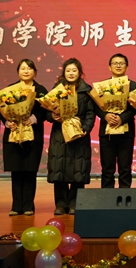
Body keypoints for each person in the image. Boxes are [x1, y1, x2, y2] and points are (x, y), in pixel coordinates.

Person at [46, 58, 95, 215]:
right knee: (59, 168)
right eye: (68, 71)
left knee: (78, 170)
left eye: (74, 70)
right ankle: (61, 204)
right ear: (64, 73)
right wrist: (52, 116)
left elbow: (90, 113)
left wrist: (86, 128)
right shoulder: (57, 89)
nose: (71, 73)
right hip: (60, 134)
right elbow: (46, 110)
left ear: (80, 73)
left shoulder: (86, 91)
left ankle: (75, 203)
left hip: (79, 134)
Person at [2, 59, 48, 216]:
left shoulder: (41, 90)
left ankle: (28, 205)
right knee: (16, 170)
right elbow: (1, 109)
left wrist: (35, 118)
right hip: (14, 133)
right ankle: (16, 206)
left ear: (35, 72)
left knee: (30, 170)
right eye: (23, 68)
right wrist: (7, 122)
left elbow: (46, 110)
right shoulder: (10, 90)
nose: (26, 71)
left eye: (29, 68)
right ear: (18, 72)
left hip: (33, 135)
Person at [94, 53, 136, 189]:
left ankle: (125, 197)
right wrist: (105, 116)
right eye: (115, 63)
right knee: (107, 169)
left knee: (125, 168)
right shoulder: (102, 86)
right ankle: (107, 198)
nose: (118, 66)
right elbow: (95, 106)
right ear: (109, 67)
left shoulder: (133, 85)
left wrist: (122, 118)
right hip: (106, 133)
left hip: (126, 133)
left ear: (127, 67)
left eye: (121, 63)